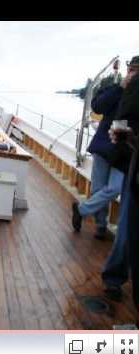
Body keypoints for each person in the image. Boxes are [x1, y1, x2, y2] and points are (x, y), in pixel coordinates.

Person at [99, 55, 139, 302]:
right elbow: (118, 119)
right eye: (131, 68)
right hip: (130, 163)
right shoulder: (131, 85)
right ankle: (114, 277)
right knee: (127, 226)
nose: (131, 72)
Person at [71, 69, 126, 239]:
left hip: (124, 150)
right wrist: (120, 88)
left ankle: (81, 210)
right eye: (131, 70)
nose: (133, 75)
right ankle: (101, 226)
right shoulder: (115, 89)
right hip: (104, 145)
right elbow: (97, 106)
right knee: (98, 188)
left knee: (115, 188)